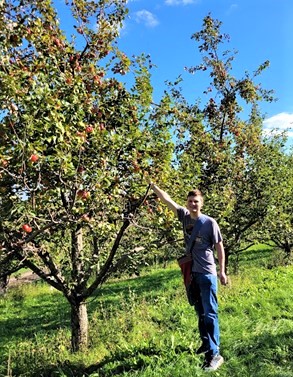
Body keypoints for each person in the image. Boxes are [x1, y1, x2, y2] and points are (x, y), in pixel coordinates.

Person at [150, 183, 227, 371]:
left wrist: (222, 271)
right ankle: (206, 344)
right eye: (190, 201)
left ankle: (215, 353)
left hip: (207, 273)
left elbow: (219, 247)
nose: (193, 204)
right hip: (192, 273)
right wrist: (153, 186)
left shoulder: (210, 223)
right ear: (187, 203)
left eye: (196, 202)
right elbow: (167, 199)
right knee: (200, 311)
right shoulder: (184, 217)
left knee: (210, 313)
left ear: (201, 204)